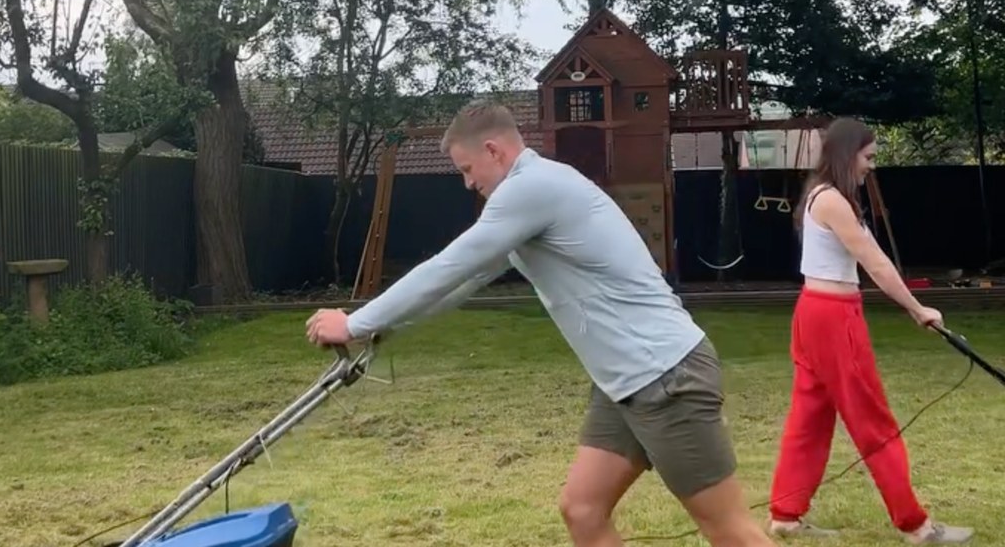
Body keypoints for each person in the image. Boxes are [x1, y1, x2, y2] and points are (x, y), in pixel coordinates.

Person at [307, 99, 780, 547]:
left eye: (467, 170)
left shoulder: (533, 188)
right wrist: (384, 326)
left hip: (666, 376)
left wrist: (353, 322)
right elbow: (465, 279)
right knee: (583, 510)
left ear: (493, 150)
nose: (468, 184)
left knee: (730, 531)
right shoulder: (529, 198)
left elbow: (448, 265)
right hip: (623, 385)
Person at [767, 117, 973, 544]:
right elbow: (876, 263)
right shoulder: (833, 202)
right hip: (832, 317)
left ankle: (785, 516)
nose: (871, 166)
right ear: (847, 155)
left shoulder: (821, 196)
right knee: (873, 420)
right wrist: (918, 309)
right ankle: (916, 525)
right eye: (868, 157)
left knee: (810, 416)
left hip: (814, 314)